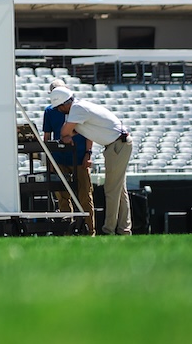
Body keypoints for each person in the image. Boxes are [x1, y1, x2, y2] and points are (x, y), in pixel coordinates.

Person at [49, 86, 133, 235]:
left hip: (116, 145)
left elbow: (65, 132)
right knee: (120, 191)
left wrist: (67, 135)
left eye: (58, 108)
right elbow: (70, 132)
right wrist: (69, 134)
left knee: (111, 189)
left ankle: (109, 230)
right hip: (118, 144)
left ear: (63, 105)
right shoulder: (80, 107)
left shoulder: (77, 109)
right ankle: (124, 229)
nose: (59, 111)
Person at [41, 79, 95, 236]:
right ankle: (67, 230)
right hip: (59, 159)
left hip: (79, 158)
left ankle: (89, 231)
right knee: (62, 197)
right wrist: (49, 160)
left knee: (85, 196)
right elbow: (47, 137)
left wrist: (88, 154)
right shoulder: (49, 111)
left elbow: (89, 133)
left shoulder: (78, 108)